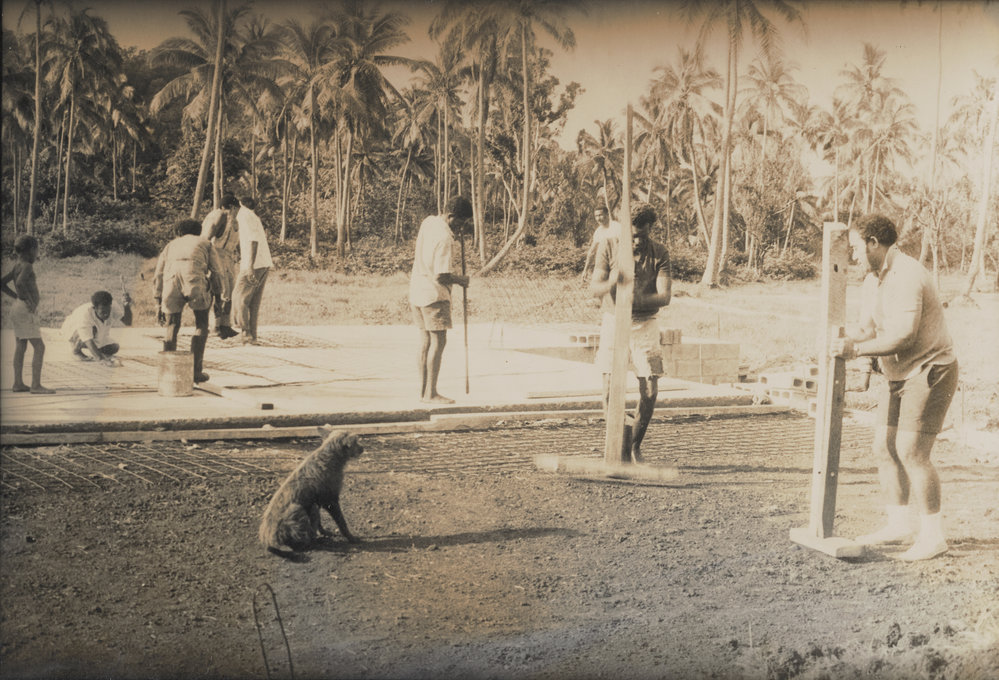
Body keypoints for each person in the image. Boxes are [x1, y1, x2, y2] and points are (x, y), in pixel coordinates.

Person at [831, 213, 958, 561]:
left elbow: (903, 335)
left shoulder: (908, 275)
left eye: (856, 247)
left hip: (931, 368)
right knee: (884, 446)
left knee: (912, 451)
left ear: (874, 243)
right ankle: (899, 523)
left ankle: (933, 536)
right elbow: (866, 329)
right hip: (899, 374)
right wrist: (838, 339)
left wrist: (855, 350)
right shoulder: (873, 281)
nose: (853, 256)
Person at [590, 202, 672, 462]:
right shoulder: (610, 245)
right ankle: (617, 442)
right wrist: (614, 281)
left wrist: (634, 299)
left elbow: (665, 296)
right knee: (607, 390)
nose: (636, 241)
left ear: (650, 230)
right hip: (615, 322)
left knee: (650, 390)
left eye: (642, 236)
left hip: (644, 325)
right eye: (632, 235)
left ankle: (634, 446)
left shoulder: (659, 253)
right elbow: (595, 286)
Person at [409, 195, 472, 404]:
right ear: (451, 216)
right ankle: (431, 393)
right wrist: (460, 280)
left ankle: (423, 391)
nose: (461, 228)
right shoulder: (445, 239)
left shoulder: (429, 222)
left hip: (417, 291)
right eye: (461, 223)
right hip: (434, 295)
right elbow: (441, 275)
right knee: (438, 341)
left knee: (425, 341)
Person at [154, 219, 228, 383]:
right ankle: (195, 372)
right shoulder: (205, 243)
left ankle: (168, 372)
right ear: (198, 231)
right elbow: (217, 271)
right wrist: (218, 296)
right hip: (194, 282)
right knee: (201, 324)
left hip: (170, 284)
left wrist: (157, 301)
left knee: (172, 325)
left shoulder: (170, 245)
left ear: (179, 232)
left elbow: (158, 274)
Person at [1, 235, 54, 393]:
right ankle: (36, 385)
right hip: (24, 309)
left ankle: (18, 383)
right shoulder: (27, 266)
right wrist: (28, 299)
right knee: (39, 347)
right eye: (37, 250)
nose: (37, 254)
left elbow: (2, 283)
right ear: (31, 250)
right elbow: (20, 283)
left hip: (17, 307)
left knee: (21, 345)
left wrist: (16, 297)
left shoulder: (17, 265)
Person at [232, 196, 273, 345]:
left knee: (239, 298)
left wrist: (249, 266)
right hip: (263, 263)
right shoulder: (251, 215)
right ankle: (252, 336)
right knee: (253, 302)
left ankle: (246, 334)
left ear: (232, 208)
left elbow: (253, 240)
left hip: (254, 264)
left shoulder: (243, 215)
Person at [200, 192, 241, 339]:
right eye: (237, 209)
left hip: (228, 258)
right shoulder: (220, 215)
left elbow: (235, 242)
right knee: (218, 292)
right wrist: (205, 260)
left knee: (228, 292)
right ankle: (214, 327)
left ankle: (225, 326)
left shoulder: (234, 220)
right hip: (216, 255)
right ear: (231, 207)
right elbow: (207, 238)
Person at [62, 290, 133, 363]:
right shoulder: (84, 314)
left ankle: (95, 351)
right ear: (94, 308)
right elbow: (88, 340)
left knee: (114, 347)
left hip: (96, 335)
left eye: (108, 311)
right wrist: (101, 359)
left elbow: (128, 322)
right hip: (73, 331)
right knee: (91, 332)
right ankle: (76, 351)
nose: (106, 315)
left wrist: (126, 307)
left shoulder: (113, 306)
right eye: (102, 312)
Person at [580, 205, 621, 282]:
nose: (598, 218)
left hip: (618, 263)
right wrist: (585, 270)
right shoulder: (598, 232)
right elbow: (592, 251)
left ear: (607, 215)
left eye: (600, 215)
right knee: (597, 285)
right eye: (596, 216)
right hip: (605, 263)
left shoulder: (617, 227)